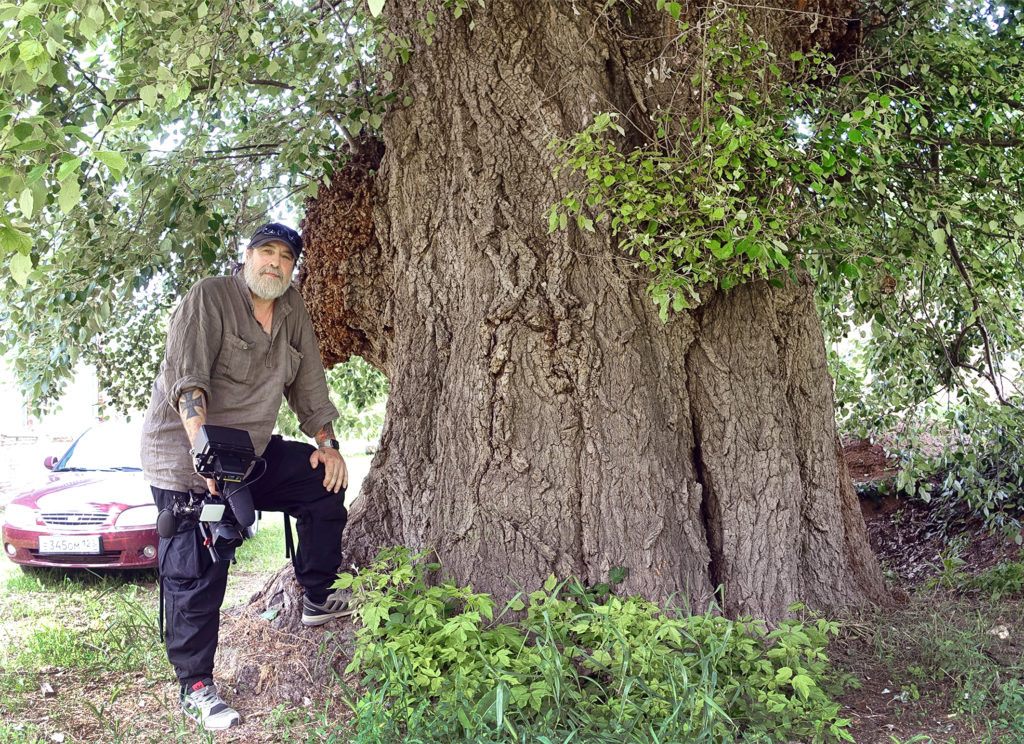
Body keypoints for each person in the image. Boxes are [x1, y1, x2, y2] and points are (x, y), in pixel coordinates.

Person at [140, 222, 352, 731]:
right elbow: (188, 382)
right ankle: (195, 685)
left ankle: (318, 594)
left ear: (293, 266)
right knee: (200, 564)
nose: (275, 262)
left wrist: (327, 446)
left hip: (249, 454)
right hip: (186, 455)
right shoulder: (210, 297)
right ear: (248, 255)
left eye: (286, 256)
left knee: (322, 483)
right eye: (266, 251)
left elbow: (310, 386)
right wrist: (204, 454)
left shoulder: (292, 308)